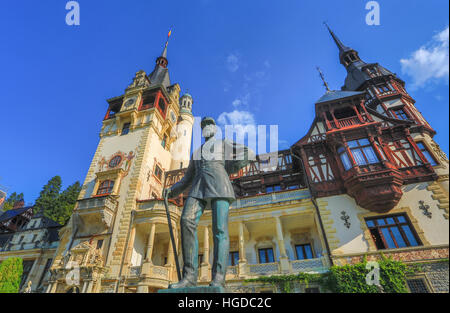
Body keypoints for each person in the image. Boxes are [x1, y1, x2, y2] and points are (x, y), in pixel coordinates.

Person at [163, 117, 254, 288]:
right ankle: (189, 277)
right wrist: (172, 190)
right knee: (186, 221)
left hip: (220, 185)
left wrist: (230, 167)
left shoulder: (223, 143)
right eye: (203, 125)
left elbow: (248, 153)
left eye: (209, 124)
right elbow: (187, 179)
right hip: (198, 188)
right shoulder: (196, 153)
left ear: (215, 128)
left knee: (220, 230)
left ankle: (219, 277)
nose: (206, 127)